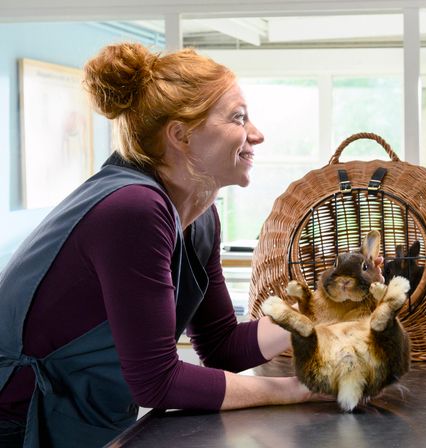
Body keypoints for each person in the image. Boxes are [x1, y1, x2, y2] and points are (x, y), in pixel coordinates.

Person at [0, 43, 327, 448]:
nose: (256, 134)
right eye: (238, 118)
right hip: (17, 423)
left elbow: (222, 345)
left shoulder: (200, 216)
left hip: (80, 421)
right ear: (181, 136)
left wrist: (322, 310)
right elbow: (157, 382)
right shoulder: (134, 208)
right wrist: (299, 390)